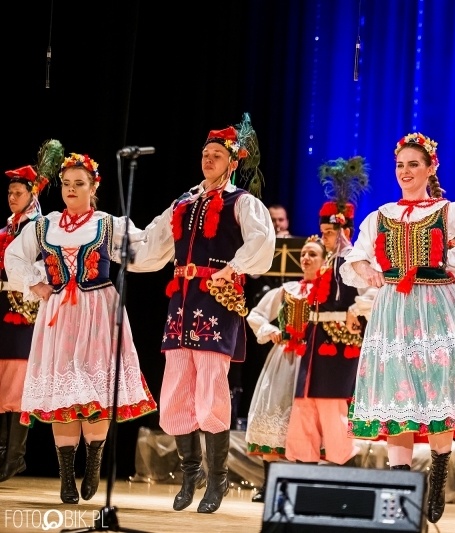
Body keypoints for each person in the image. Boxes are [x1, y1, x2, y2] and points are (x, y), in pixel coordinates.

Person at [133, 113, 276, 513]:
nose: (208, 160)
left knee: (211, 386)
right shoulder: (184, 202)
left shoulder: (241, 202)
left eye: (216, 155)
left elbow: (262, 245)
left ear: (233, 163)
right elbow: (151, 245)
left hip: (215, 300)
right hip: (180, 302)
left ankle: (218, 479)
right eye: (205, 154)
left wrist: (232, 270)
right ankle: (189, 471)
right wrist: (108, 242)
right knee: (176, 385)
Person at [342, 132, 455, 523]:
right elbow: (355, 253)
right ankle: (401, 494)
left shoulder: (448, 210)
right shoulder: (381, 215)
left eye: (414, 165)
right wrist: (366, 268)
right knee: (397, 394)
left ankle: (437, 479)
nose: (405, 172)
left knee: (437, 389)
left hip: (436, 306)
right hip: (393, 310)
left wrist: (454, 256)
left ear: (430, 168)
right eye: (401, 165)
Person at [4, 151, 159, 504]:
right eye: (67, 184)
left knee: (93, 391)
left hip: (98, 312)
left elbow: (146, 251)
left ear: (94, 187)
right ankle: (65, 477)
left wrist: (167, 229)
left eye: (79, 184)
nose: (71, 190)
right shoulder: (46, 225)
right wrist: (35, 283)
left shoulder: (108, 224)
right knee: (64, 393)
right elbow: (13, 256)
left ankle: (93, 464)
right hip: (58, 314)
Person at [283, 156, 368, 469]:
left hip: (339, 340)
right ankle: (302, 459)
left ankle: (341, 461)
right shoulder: (326, 262)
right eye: (322, 232)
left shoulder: (354, 260)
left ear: (343, 229)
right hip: (314, 339)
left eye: (330, 232)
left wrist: (356, 311)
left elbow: (371, 292)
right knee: (305, 400)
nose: (324, 237)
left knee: (332, 404)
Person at [245, 236, 326, 502]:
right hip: (287, 357)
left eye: (313, 254)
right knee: (277, 412)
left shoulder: (329, 291)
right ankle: (270, 486)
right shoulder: (288, 289)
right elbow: (255, 315)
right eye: (303, 253)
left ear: (324, 261)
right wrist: (270, 330)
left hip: (315, 360)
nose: (306, 258)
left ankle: (307, 487)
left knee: (309, 420)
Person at [0, 141, 62, 483]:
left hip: (24, 310)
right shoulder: (8, 227)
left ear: (31, 195)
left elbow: (44, 267)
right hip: (3, 309)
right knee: (1, 383)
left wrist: (31, 286)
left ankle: (15, 457)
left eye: (18, 192)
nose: (12, 197)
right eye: (9, 192)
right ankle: (2, 454)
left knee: (18, 384)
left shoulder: (41, 228)